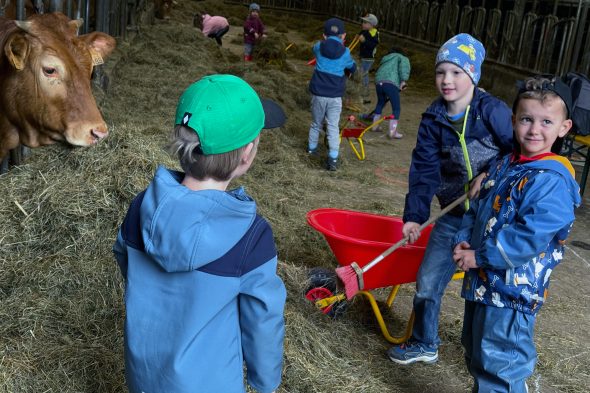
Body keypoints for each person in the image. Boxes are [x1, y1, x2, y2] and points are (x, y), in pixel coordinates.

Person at [113, 74, 287, 393]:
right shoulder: (251, 237)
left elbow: (126, 261)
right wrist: (266, 383)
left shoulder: (141, 208)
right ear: (247, 155)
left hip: (144, 376)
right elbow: (263, 321)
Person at [387, 33, 514, 365]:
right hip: (454, 214)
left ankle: (493, 358)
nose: (447, 80)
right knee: (427, 280)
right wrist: (414, 216)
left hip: (492, 218)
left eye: (457, 72)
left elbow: (518, 152)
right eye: (441, 72)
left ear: (472, 75)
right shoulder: (433, 119)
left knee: (491, 293)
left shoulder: (492, 112)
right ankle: (425, 342)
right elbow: (425, 170)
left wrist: (490, 174)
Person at [452, 75, 581, 392]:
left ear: (564, 128)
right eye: (526, 119)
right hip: (482, 284)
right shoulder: (503, 165)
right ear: (513, 122)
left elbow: (530, 236)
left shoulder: (552, 179)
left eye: (546, 121)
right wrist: (464, 239)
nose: (534, 130)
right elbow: (477, 208)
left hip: (512, 294)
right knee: (478, 357)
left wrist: (479, 255)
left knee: (502, 366)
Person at [307, 17, 357, 171]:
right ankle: (333, 158)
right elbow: (353, 67)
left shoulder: (319, 46)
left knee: (316, 123)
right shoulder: (346, 52)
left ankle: (311, 150)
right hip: (335, 96)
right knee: (333, 126)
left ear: (324, 35)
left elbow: (313, 50)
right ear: (343, 36)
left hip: (319, 94)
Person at [366, 46, 410, 138]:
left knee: (380, 103)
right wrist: (403, 81)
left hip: (379, 83)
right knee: (396, 108)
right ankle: (392, 132)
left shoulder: (385, 59)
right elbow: (404, 69)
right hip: (391, 83)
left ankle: (374, 126)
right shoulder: (402, 58)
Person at [357, 13, 379, 103]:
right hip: (362, 56)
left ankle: (365, 93)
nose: (363, 24)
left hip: (368, 58)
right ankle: (361, 91)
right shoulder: (364, 31)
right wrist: (357, 36)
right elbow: (360, 34)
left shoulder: (374, 34)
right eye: (363, 22)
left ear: (372, 25)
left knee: (364, 74)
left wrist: (364, 41)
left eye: (365, 22)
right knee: (361, 73)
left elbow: (372, 45)